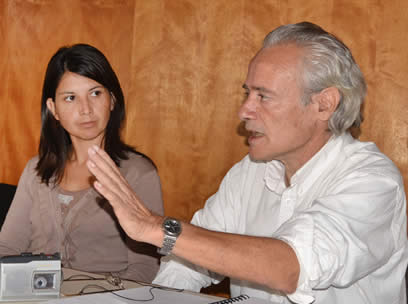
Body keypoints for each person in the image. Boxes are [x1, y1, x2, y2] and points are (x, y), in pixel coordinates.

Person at [85, 22, 408, 304]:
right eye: (247, 93)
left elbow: (290, 267)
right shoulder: (249, 171)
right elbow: (189, 262)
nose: (244, 111)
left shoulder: (372, 181)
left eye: (263, 96)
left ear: (323, 104)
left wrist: (155, 227)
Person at [0, 44, 164, 283]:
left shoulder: (138, 174)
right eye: (71, 98)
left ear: (112, 100)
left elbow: (144, 270)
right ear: (53, 109)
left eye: (95, 93)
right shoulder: (35, 170)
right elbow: (6, 249)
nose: (86, 110)